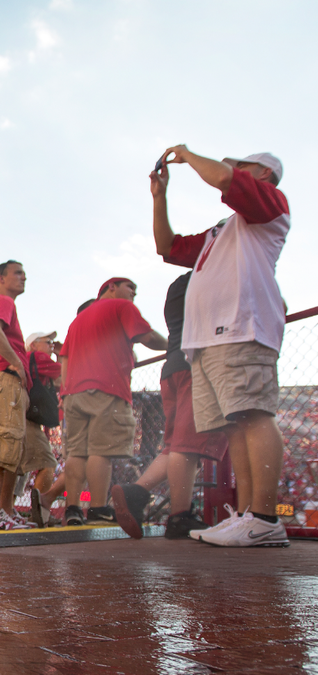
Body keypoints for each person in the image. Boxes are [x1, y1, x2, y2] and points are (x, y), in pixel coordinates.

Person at [151, 147, 291, 547]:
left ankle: (264, 516)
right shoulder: (223, 231)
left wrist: (189, 154)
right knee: (235, 425)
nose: (234, 164)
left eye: (244, 162)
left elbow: (225, 179)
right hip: (208, 338)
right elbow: (168, 247)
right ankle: (247, 516)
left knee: (254, 413)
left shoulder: (269, 204)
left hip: (240, 327)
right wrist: (160, 197)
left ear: (264, 172)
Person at [111, 272, 229, 540]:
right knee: (187, 445)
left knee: (177, 443)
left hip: (173, 365)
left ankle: (138, 494)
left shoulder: (179, 286)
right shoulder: (208, 276)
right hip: (196, 362)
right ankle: (179, 516)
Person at [59, 278, 167, 526]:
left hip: (74, 393)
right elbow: (147, 337)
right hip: (107, 388)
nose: (134, 294)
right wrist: (174, 344)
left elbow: (64, 358)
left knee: (76, 453)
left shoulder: (78, 320)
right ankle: (97, 509)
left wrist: (65, 393)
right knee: (101, 452)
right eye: (131, 288)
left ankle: (72, 509)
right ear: (112, 286)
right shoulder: (121, 307)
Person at [0, 261, 33, 530]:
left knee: (11, 448)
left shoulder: (5, 303)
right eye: (18, 273)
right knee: (2, 446)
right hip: (5, 379)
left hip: (7, 381)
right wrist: (16, 363)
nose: (24, 277)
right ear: (1, 278)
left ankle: (4, 511)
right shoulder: (3, 301)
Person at [20, 330, 62, 528]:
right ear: (34, 344)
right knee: (48, 463)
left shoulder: (29, 358)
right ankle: (41, 512)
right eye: (48, 342)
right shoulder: (37, 356)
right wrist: (63, 354)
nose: (51, 345)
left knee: (19, 468)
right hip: (30, 420)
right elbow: (63, 373)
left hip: (24, 416)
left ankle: (6, 510)